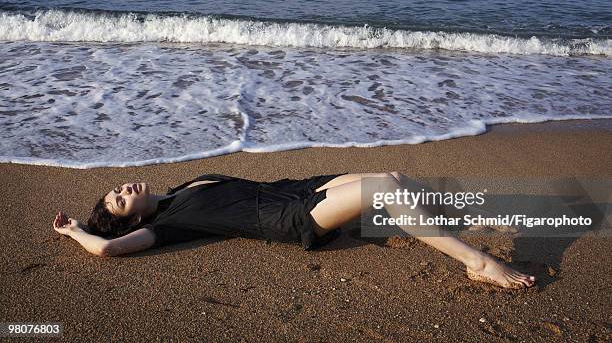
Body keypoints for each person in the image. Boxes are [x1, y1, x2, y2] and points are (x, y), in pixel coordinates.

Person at [53, 171, 536, 289]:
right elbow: (108, 250)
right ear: (133, 218)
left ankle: (451, 220)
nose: (123, 188)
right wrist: (76, 230)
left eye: (118, 188)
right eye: (120, 200)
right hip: (290, 220)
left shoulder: (183, 188)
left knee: (394, 177)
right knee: (383, 189)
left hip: (296, 191)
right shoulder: (169, 223)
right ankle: (478, 263)